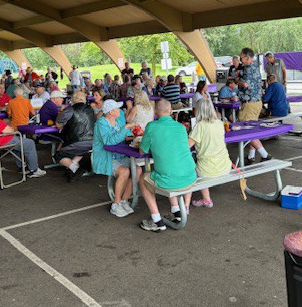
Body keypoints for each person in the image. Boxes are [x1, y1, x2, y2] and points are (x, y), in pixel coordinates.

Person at [138, 99, 197, 232]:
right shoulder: (181, 127)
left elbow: (142, 151)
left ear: (155, 112)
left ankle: (157, 221)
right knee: (169, 171)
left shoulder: (151, 127)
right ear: (171, 111)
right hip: (190, 177)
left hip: (172, 180)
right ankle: (176, 212)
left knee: (143, 178)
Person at [0, 97, 45, 177]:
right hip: (0, 141)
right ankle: (34, 170)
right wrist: (11, 128)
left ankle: (22, 167)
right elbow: (8, 131)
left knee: (17, 143)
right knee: (29, 143)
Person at [92, 99, 140, 217]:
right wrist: (126, 127)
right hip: (106, 157)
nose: (120, 110)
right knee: (124, 171)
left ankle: (124, 200)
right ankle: (116, 204)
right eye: (117, 108)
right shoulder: (101, 123)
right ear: (111, 112)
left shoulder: (117, 122)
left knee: (137, 170)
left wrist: (137, 135)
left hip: (119, 155)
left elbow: (125, 137)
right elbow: (109, 141)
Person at [188, 99, 233, 208]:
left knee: (192, 167)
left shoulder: (199, 126)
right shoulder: (219, 123)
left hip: (208, 169)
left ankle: (206, 199)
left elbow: (187, 146)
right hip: (225, 165)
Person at [236, 48, 272, 164]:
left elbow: (245, 84)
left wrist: (237, 79)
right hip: (257, 102)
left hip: (249, 104)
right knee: (252, 130)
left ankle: (265, 154)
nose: (240, 60)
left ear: (247, 57)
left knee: (246, 130)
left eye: (241, 57)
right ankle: (251, 156)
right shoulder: (256, 67)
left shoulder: (247, 69)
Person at [55, 91, 96, 182]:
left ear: (73, 99)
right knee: (80, 151)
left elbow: (58, 124)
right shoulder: (90, 109)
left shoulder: (70, 109)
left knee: (58, 155)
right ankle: (70, 170)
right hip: (93, 141)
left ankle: (75, 169)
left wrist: (61, 111)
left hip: (77, 141)